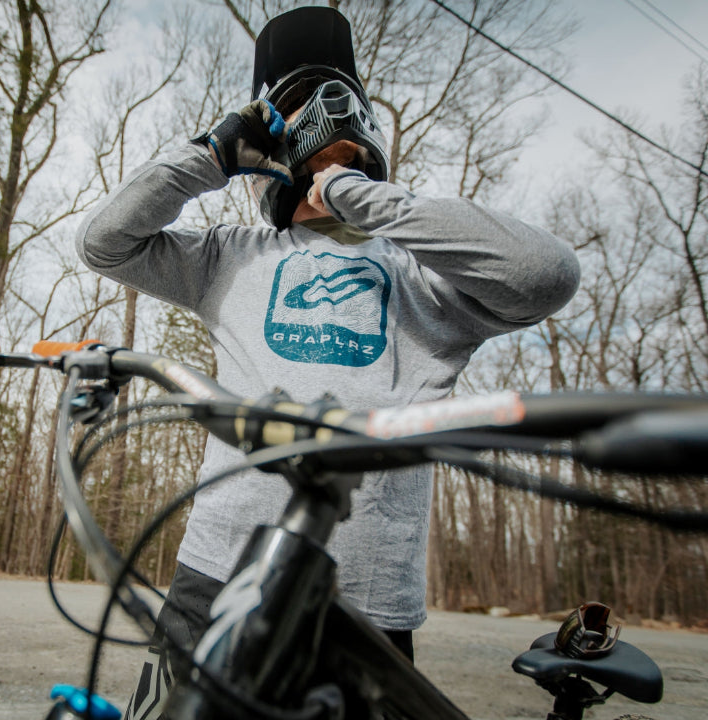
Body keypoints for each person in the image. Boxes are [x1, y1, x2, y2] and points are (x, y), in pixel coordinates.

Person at [74, 7, 580, 719]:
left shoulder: (426, 277)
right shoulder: (230, 255)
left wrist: (346, 188)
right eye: (305, 144)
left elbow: (545, 273)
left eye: (343, 140)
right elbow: (104, 243)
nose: (324, 151)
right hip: (216, 570)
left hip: (363, 599)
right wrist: (210, 156)